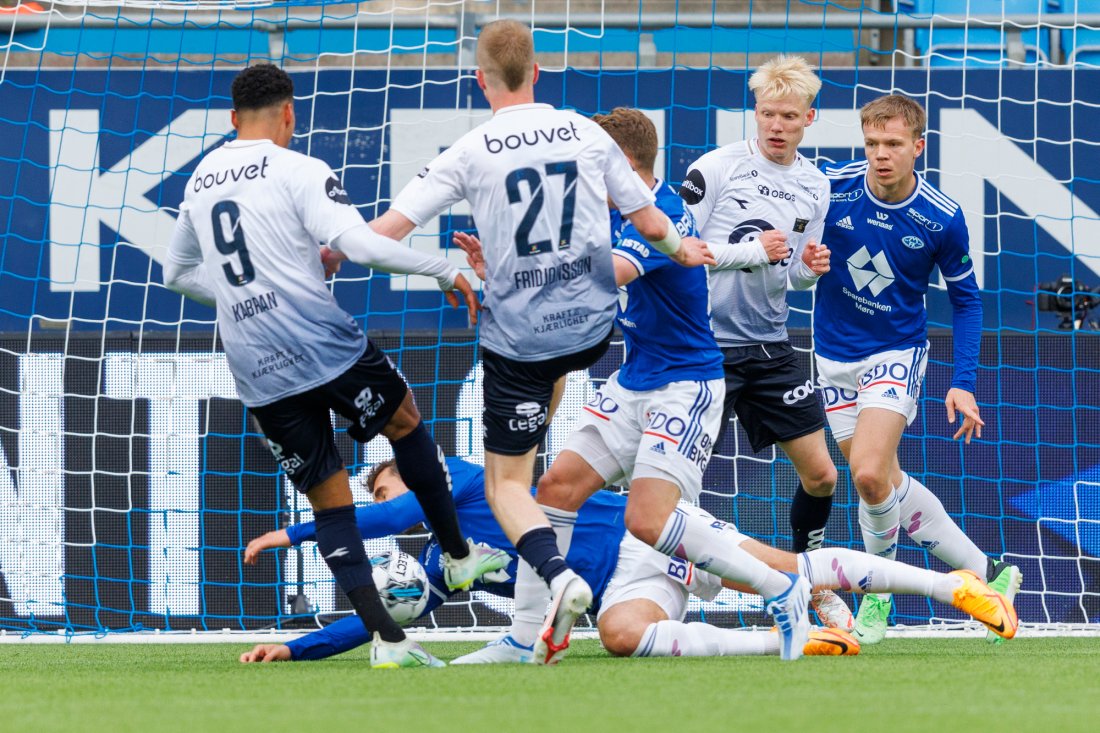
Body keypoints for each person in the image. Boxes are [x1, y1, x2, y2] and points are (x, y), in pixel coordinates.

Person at [322, 18, 715, 665]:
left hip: (523, 340)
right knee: (551, 468)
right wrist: (684, 248)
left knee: (511, 484)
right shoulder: (588, 134)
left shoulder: (468, 151)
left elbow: (384, 233)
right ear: (538, 73)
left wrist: (337, 251)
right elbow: (649, 219)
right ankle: (527, 628)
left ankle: (558, 580)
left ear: (480, 80)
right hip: (589, 328)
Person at [162, 63, 509, 670]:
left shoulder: (200, 181)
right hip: (318, 342)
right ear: (289, 114)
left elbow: (177, 275)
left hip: (253, 365)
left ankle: (391, 644)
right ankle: (456, 556)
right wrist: (443, 269)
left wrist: (250, 291)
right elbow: (360, 247)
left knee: (329, 504)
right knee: (403, 419)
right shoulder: (300, 169)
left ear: (232, 119)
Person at [468, 105, 817, 666]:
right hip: (635, 382)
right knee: (555, 489)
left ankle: (780, 586)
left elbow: (613, 274)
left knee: (646, 520)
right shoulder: (597, 212)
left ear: (622, 165)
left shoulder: (665, 214)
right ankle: (523, 638)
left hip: (688, 384)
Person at [238, 457, 1017, 664]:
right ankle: (805, 642)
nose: (394, 494)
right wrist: (295, 647)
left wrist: (306, 530)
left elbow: (394, 511)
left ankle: (953, 584)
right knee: (619, 636)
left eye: (393, 480)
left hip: (655, 531)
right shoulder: (451, 562)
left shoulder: (471, 483)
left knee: (793, 566)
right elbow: (378, 617)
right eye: (380, 487)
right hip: (631, 584)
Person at [816, 93, 1022, 645]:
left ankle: (878, 596)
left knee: (864, 474)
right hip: (832, 356)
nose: (880, 155)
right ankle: (989, 573)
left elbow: (968, 301)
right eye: (872, 144)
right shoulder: (829, 188)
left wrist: (963, 383)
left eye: (893, 144)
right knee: (882, 482)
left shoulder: (942, 216)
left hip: (896, 352)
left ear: (918, 148)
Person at [676, 55, 848, 628]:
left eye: (789, 116)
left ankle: (813, 583)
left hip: (771, 345)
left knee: (822, 474)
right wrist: (754, 251)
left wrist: (809, 268)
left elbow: (793, 272)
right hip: (702, 347)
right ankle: (670, 586)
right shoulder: (716, 169)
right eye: (768, 114)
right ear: (755, 113)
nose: (776, 125)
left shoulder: (814, 185)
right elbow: (679, 253)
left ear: (810, 119)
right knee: (676, 482)